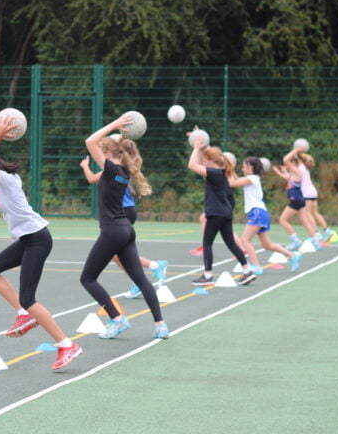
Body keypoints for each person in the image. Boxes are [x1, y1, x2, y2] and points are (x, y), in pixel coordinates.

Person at [0, 115, 82, 370]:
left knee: (29, 297)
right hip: (28, 239)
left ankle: (67, 344)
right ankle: (23, 314)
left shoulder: (7, 181)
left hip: (37, 240)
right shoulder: (3, 187)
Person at [80, 114, 169, 339]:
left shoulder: (110, 169)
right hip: (126, 230)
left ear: (108, 154)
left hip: (112, 230)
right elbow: (105, 147)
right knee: (141, 279)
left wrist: (116, 124)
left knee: (87, 278)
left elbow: (90, 141)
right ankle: (160, 325)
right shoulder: (125, 170)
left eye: (102, 151)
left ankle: (117, 319)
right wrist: (121, 134)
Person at [79, 149, 167, 299]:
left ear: (109, 153)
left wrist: (85, 165)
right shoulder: (120, 169)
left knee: (116, 254)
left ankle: (154, 266)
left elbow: (91, 179)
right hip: (127, 210)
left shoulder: (111, 171)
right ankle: (142, 278)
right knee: (116, 254)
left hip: (121, 213)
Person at [187, 138, 255, 286]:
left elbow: (192, 165)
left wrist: (197, 148)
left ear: (212, 161)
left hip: (216, 213)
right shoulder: (222, 171)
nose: (203, 163)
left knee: (207, 243)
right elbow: (203, 159)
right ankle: (247, 270)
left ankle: (207, 275)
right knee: (231, 243)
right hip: (226, 213)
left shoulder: (214, 173)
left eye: (205, 161)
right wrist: (200, 140)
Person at [229, 157, 302, 273]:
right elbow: (236, 179)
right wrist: (230, 169)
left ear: (250, 168)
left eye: (243, 166)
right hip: (261, 212)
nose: (242, 169)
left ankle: (257, 266)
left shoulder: (251, 178)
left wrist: (227, 169)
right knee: (267, 245)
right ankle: (292, 255)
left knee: (244, 240)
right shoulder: (252, 178)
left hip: (257, 212)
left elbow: (232, 183)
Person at [271, 146, 322, 252]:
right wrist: (280, 171)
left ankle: (295, 240)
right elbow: (287, 177)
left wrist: (296, 150)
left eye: (289, 164)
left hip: (296, 200)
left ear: (293, 163)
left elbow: (285, 159)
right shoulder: (295, 172)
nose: (286, 165)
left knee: (283, 220)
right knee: (304, 221)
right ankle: (315, 241)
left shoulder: (297, 171)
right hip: (300, 199)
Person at [300, 153, 335, 241]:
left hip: (306, 192)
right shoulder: (306, 167)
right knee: (315, 213)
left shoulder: (300, 167)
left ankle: (316, 233)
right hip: (313, 191)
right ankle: (327, 231)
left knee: (308, 214)